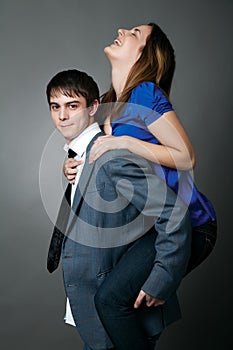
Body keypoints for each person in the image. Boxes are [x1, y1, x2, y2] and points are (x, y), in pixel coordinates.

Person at [62, 23, 217, 349]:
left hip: (190, 222)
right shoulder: (108, 104)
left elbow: (186, 156)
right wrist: (71, 167)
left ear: (146, 54)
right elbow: (99, 159)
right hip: (152, 226)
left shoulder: (145, 92)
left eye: (135, 32)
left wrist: (125, 144)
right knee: (123, 309)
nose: (122, 29)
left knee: (111, 299)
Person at [46, 69, 192, 350]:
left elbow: (172, 212)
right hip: (93, 307)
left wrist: (162, 279)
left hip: (119, 310)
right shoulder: (82, 156)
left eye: (72, 105)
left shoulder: (109, 156)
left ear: (93, 108)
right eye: (56, 107)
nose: (62, 116)